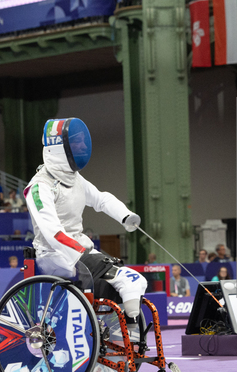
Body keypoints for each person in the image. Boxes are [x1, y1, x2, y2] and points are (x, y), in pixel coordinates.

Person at [24, 117, 147, 329]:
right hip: (53, 255)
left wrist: (126, 216)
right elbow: (53, 232)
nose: (82, 146)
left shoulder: (75, 179)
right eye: (76, 143)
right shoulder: (38, 187)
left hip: (78, 249)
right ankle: (102, 331)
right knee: (128, 280)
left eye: (82, 142)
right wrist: (81, 252)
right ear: (59, 148)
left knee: (120, 281)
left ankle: (120, 340)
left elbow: (101, 199)